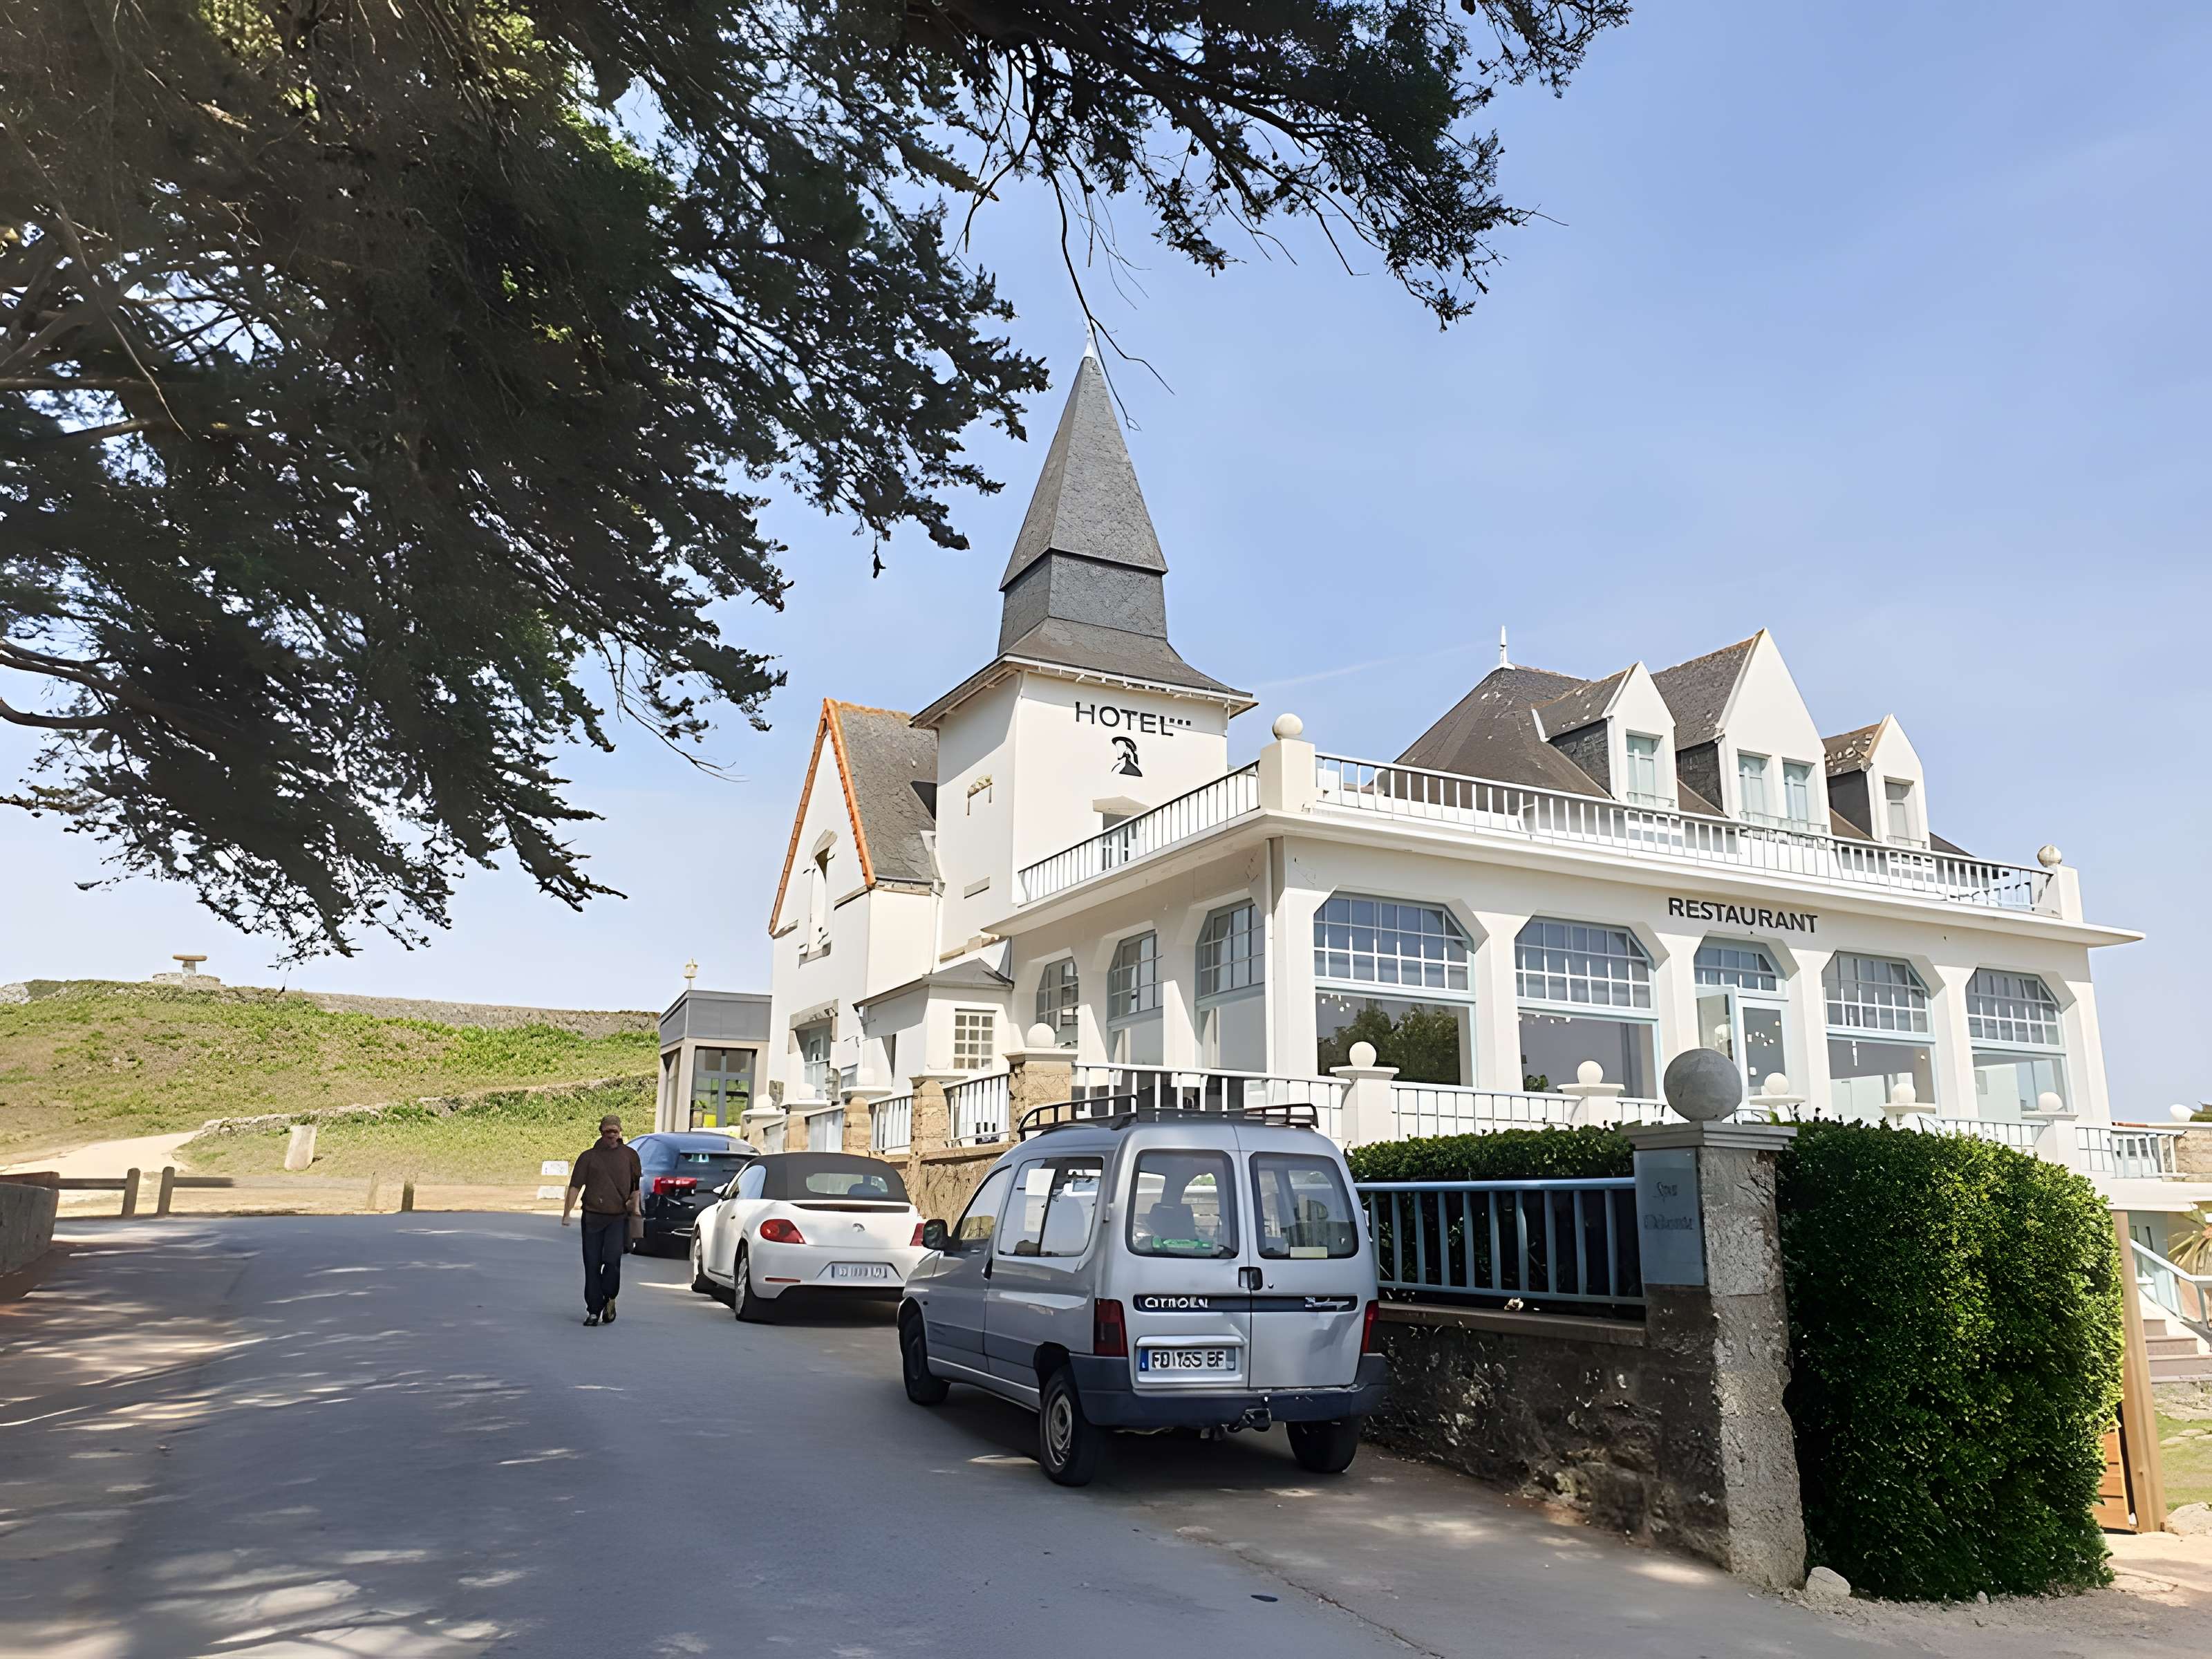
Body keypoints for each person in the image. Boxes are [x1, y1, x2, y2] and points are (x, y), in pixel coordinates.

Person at [561, 1114, 641, 1327]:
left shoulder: (630, 1156)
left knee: (613, 1261)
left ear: (620, 1132)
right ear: (601, 1132)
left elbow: (635, 1188)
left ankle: (610, 1296)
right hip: (592, 1218)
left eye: (615, 1131)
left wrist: (637, 1211)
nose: (612, 1136)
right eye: (608, 1132)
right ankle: (594, 1310)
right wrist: (567, 1213)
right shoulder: (588, 1157)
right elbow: (575, 1186)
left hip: (618, 1218)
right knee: (592, 1264)